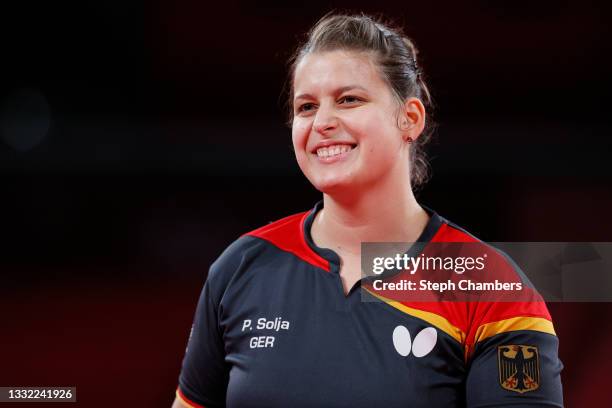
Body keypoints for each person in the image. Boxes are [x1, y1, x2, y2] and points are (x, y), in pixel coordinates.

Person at [172, 12, 563, 408]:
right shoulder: (240, 267)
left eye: (349, 100)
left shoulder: (491, 288)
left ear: (409, 119)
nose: (322, 121)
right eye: (306, 107)